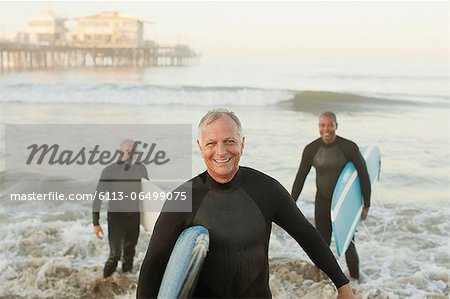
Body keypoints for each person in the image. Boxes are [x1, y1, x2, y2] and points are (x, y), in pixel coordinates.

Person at [137, 109, 354, 298]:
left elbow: (307, 235)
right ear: (200, 147)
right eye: (211, 143)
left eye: (229, 141)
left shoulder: (266, 189)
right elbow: (153, 264)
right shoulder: (184, 197)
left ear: (242, 143)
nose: (221, 151)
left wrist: (342, 284)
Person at [291, 111, 371, 280]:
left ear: (336, 126)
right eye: (322, 125)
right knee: (322, 243)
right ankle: (321, 282)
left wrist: (366, 204)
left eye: (330, 125)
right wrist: (290, 204)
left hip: (344, 204)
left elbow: (364, 175)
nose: (326, 129)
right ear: (318, 127)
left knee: (349, 242)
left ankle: (356, 282)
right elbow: (300, 177)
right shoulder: (311, 149)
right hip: (322, 202)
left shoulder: (348, 147)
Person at [93, 139, 148, 278]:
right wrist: (96, 223)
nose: (130, 154)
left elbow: (148, 194)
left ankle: (125, 285)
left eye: (133, 151)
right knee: (115, 255)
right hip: (116, 219)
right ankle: (104, 283)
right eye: (127, 151)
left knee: (129, 254)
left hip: (133, 217)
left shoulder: (141, 169)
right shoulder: (110, 170)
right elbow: (98, 196)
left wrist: (152, 221)